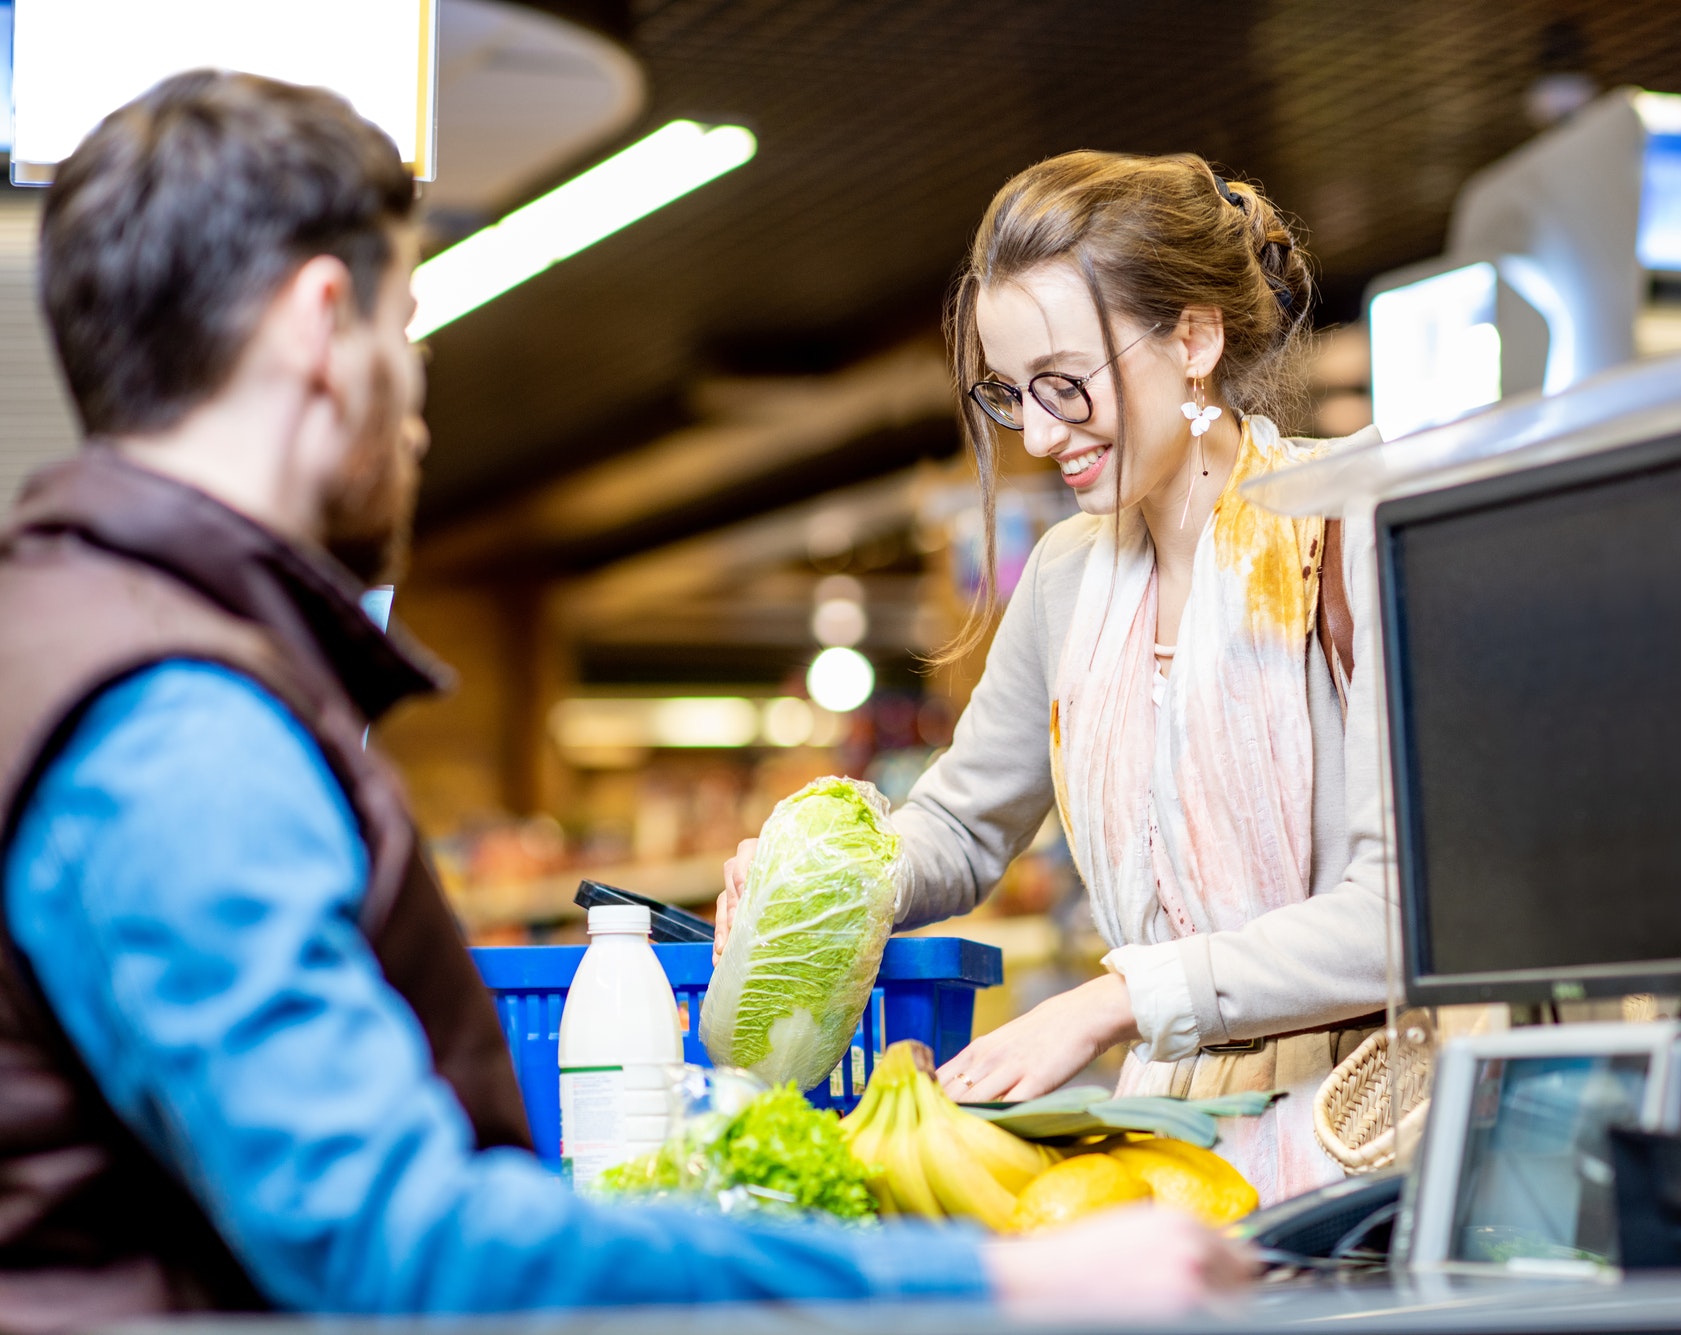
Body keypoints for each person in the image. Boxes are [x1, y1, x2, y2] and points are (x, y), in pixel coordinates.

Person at [0, 74, 1249, 1333]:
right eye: (406, 327)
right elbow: (406, 1248)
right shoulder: (174, 735)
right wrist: (992, 1278)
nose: (419, 401)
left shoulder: (76, 651)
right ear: (322, 327)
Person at [721, 151, 1390, 1204]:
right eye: (1011, 394)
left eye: (1066, 386)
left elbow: (1398, 916)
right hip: (1168, 1152)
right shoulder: (1069, 578)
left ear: (1193, 340)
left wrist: (1108, 1003)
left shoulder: (1352, 532)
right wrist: (822, 876)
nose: (1038, 436)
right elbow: (962, 823)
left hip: (1366, 1143)